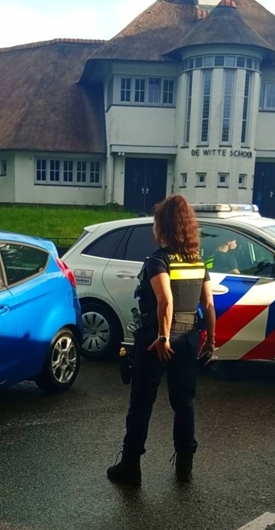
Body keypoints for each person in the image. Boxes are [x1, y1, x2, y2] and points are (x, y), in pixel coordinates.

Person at [108, 196, 217, 486]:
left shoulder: (158, 260)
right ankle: (184, 468)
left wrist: (162, 337)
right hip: (190, 337)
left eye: (157, 223)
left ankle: (130, 467)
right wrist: (210, 342)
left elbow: (165, 301)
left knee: (141, 404)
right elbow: (208, 304)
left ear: (164, 227)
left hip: (158, 342)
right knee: (184, 403)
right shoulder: (197, 261)